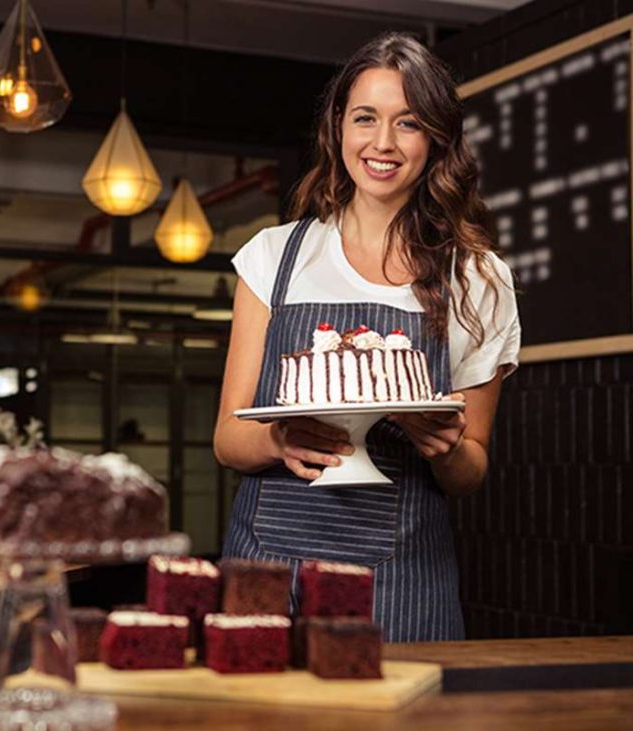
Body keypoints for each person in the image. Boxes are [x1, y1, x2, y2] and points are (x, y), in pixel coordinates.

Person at [213, 32, 520, 642]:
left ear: (436, 138)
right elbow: (227, 440)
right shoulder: (273, 257)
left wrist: (444, 446)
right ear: (338, 128)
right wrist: (278, 439)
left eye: (408, 123)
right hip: (266, 567)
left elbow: (471, 470)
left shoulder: (477, 277)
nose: (383, 143)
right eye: (365, 118)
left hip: (405, 579)